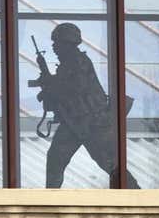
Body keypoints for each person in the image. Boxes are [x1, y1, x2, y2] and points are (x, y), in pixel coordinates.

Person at [34, 22, 139, 188]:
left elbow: (73, 89)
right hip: (75, 122)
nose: (54, 47)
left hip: (92, 123)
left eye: (57, 43)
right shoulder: (69, 64)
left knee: (110, 164)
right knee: (55, 158)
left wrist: (50, 85)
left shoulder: (78, 62)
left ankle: (136, 197)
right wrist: (49, 85)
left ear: (67, 44)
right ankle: (51, 199)